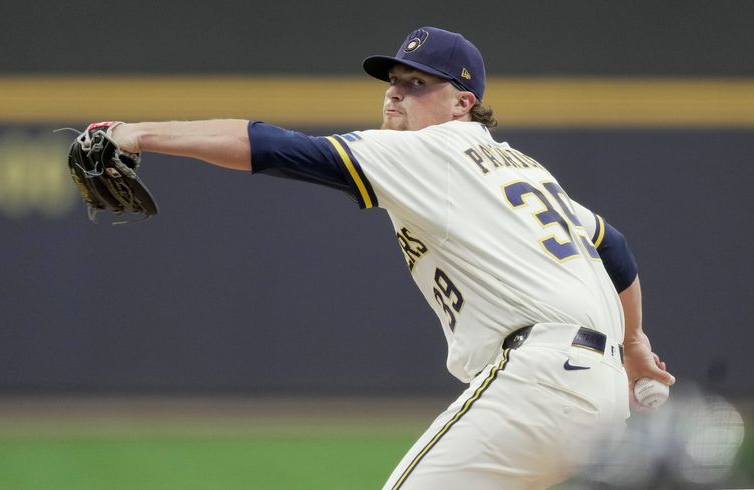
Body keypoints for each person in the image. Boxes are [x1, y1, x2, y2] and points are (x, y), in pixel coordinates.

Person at [100, 26, 675, 490]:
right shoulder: (521, 166)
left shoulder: (426, 151)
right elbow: (613, 246)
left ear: (462, 103)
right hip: (597, 396)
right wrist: (632, 345)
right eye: (393, 79)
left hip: (539, 381)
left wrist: (137, 134)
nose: (396, 91)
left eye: (419, 82)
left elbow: (271, 146)